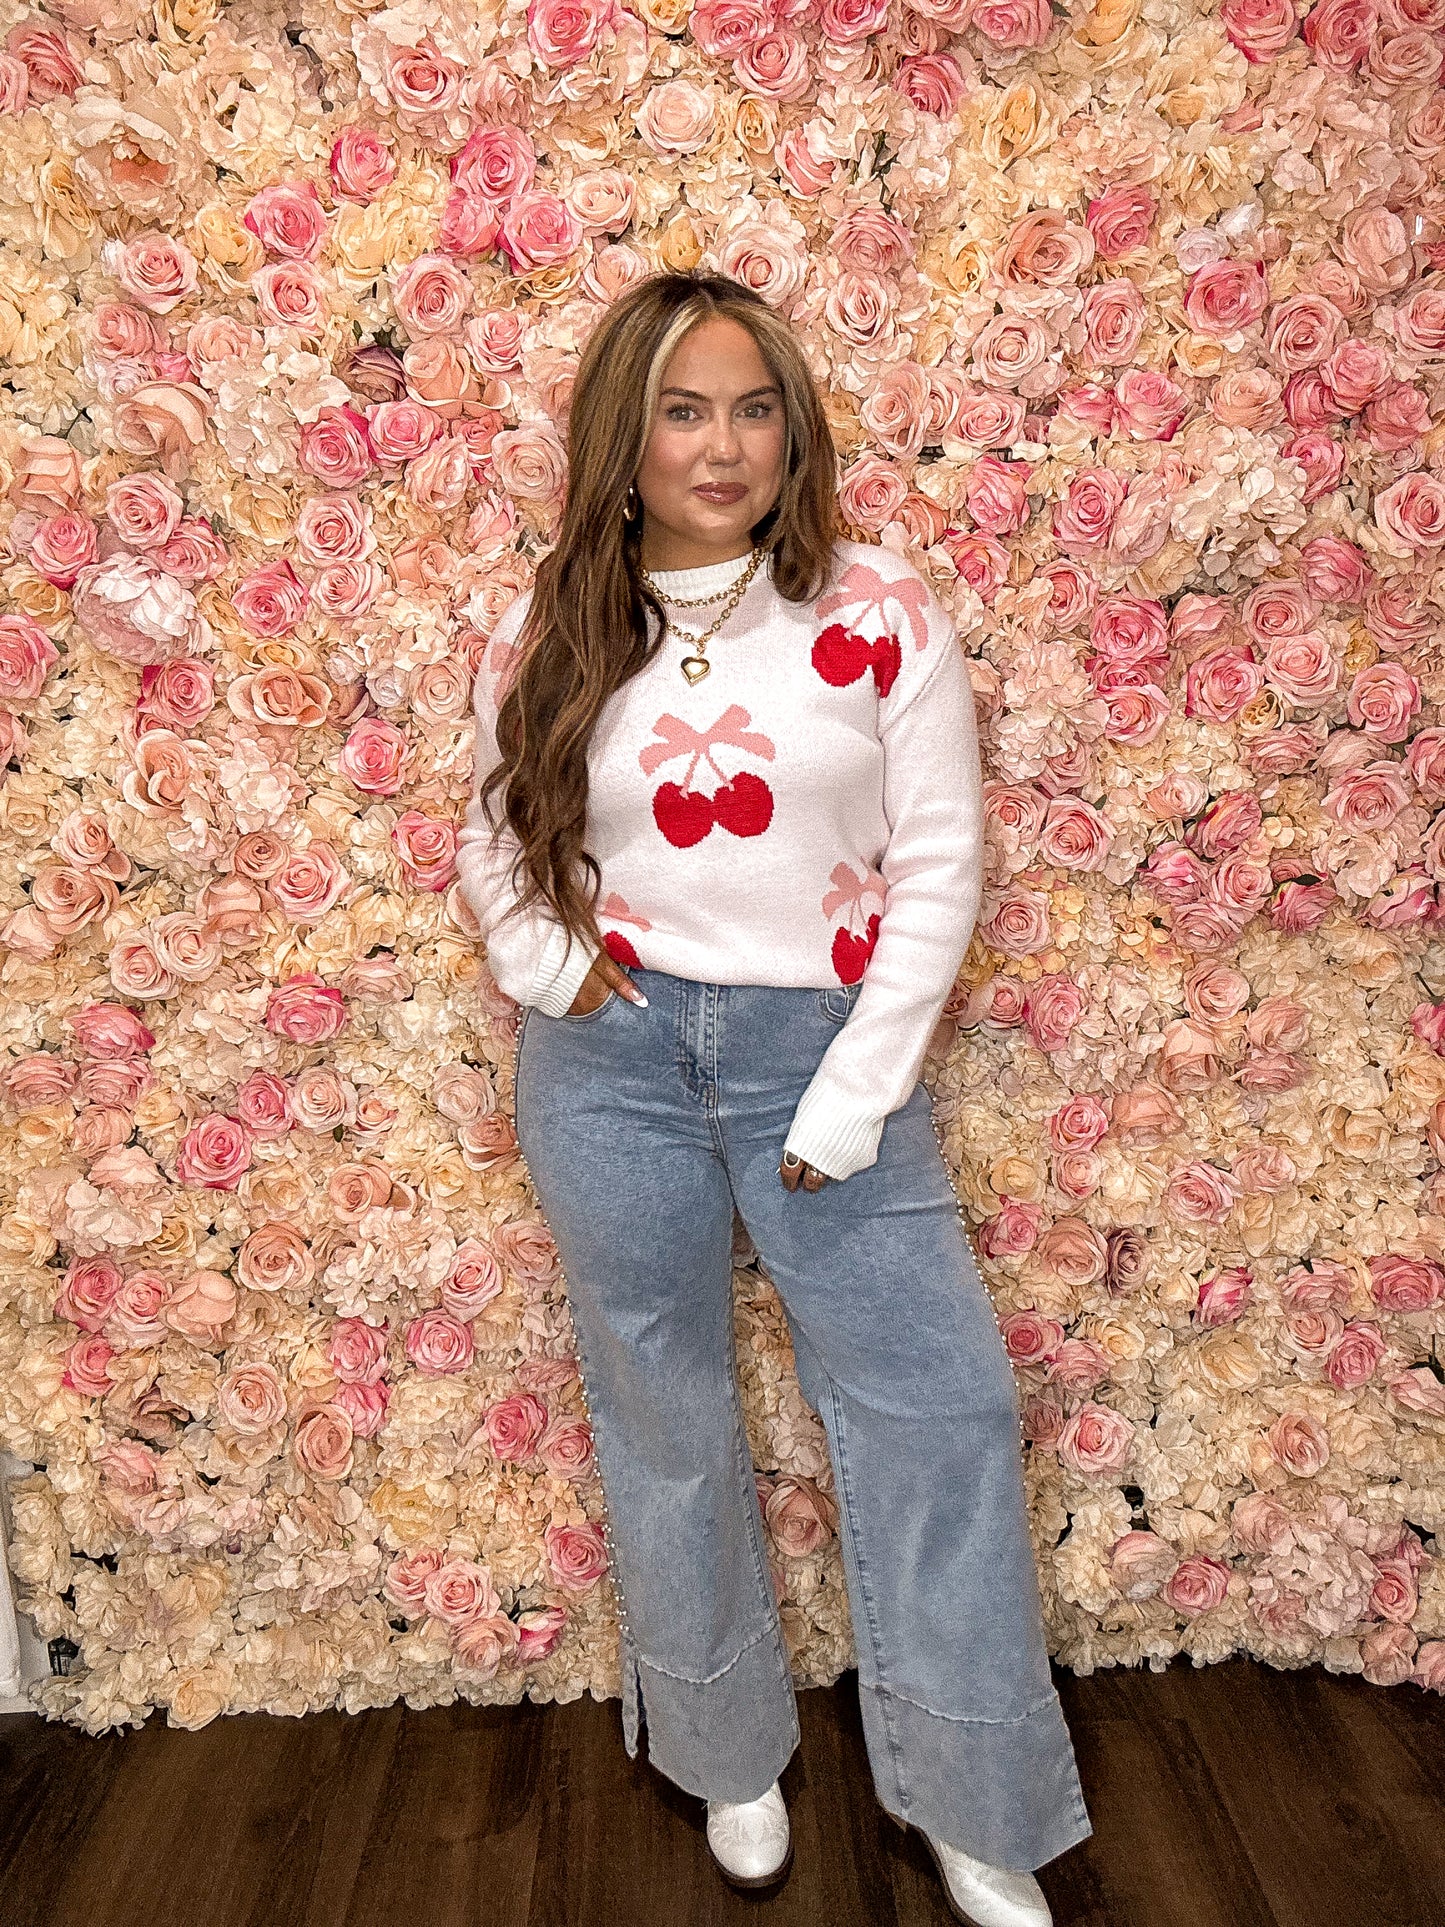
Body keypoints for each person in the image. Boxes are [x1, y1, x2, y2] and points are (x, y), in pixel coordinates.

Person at [457, 269, 1092, 1927]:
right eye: (682, 408)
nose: (721, 444)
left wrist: (857, 1089)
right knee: (663, 1414)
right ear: (625, 433)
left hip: (827, 1050)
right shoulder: (550, 627)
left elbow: (939, 859)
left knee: (934, 1411)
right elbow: (490, 834)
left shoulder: (874, 608)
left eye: (752, 407)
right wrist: (556, 975)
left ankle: (968, 1791)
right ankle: (727, 1748)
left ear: (791, 429)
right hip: (612, 1069)